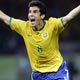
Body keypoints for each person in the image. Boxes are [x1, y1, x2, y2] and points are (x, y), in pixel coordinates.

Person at [0, 0, 80, 80]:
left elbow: (69, 17)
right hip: (38, 75)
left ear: (42, 16)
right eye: (30, 12)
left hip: (57, 71)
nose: (31, 14)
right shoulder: (24, 27)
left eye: (35, 12)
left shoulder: (53, 25)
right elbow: (6, 19)